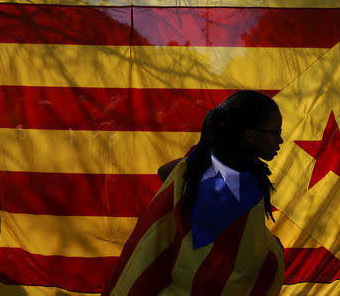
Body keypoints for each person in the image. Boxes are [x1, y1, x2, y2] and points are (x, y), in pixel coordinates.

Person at [103, 90, 285, 296]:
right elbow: (245, 267)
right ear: (250, 135)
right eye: (276, 132)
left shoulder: (202, 160)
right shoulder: (241, 185)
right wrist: (274, 251)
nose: (281, 140)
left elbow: (167, 171)